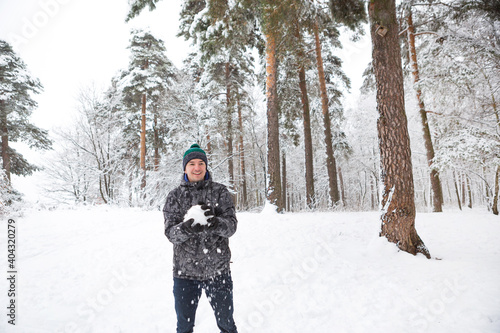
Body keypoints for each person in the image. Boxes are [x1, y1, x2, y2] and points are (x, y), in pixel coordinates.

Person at [163, 143, 238, 333]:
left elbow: (231, 227)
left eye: (201, 163)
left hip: (218, 271)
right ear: (185, 167)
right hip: (185, 274)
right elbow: (171, 233)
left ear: (206, 166)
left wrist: (216, 223)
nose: (197, 168)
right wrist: (186, 228)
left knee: (227, 324)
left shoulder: (220, 192)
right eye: (192, 164)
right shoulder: (175, 196)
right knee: (184, 327)